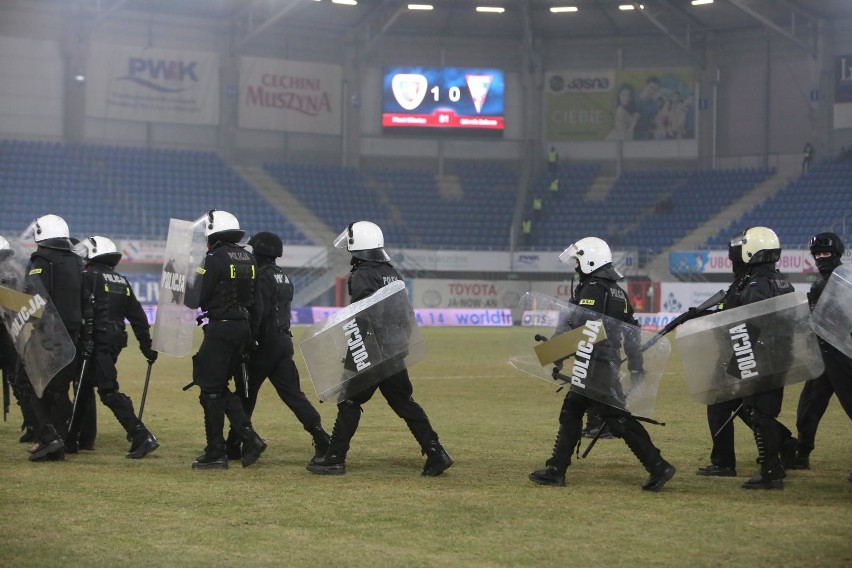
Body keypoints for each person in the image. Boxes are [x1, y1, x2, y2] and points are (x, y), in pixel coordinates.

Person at [528, 237, 676, 491]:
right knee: (573, 410)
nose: (576, 266)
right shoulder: (617, 291)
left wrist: (554, 352)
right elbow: (631, 332)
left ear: (590, 259)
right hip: (603, 360)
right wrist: (636, 365)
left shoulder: (593, 288)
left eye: (578, 261)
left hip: (595, 362)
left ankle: (658, 465)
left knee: (616, 418)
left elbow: (587, 327)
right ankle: (556, 468)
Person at [307, 221, 453, 477]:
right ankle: (436, 452)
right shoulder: (391, 271)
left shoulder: (363, 273)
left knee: (350, 400)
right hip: (395, 349)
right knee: (403, 402)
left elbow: (364, 316)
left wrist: (354, 353)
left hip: (372, 349)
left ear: (357, 244)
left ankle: (334, 459)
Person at [698, 227, 797, 489]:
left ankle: (769, 469)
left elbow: (753, 325)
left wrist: (741, 363)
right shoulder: (778, 280)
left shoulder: (756, 283)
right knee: (732, 404)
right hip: (769, 356)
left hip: (755, 356)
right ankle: (781, 447)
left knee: (757, 410)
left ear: (752, 250)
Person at [225, 231, 330, 462]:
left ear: (260, 252)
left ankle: (235, 443)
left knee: (245, 394)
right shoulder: (284, 277)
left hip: (265, 343)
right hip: (284, 342)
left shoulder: (261, 277)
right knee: (294, 396)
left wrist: (248, 341)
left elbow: (259, 313)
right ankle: (321, 437)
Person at [65, 236, 160, 458]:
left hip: (94, 341)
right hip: (114, 341)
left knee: (107, 391)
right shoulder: (121, 280)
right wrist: (147, 345)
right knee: (84, 386)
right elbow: (138, 316)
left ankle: (141, 435)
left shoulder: (87, 278)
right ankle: (72, 439)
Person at [188, 210, 266, 470]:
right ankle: (248, 438)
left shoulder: (213, 259)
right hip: (242, 329)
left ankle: (216, 452)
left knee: (210, 391)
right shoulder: (249, 258)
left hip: (220, 329)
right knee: (219, 388)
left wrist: (186, 283)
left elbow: (195, 298)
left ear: (213, 233)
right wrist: (251, 335)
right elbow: (257, 303)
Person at [21, 214, 84, 461]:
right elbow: (85, 298)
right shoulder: (77, 262)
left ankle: (49, 438)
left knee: (33, 385)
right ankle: (61, 438)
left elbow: (33, 297)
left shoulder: (41, 260)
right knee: (60, 389)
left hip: (47, 333)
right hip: (73, 333)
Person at [792, 232, 852, 470]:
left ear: (836, 253)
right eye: (817, 254)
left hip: (842, 354)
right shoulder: (818, 285)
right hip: (822, 353)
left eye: (825, 253)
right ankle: (802, 453)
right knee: (808, 407)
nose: (820, 257)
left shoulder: (846, 281)